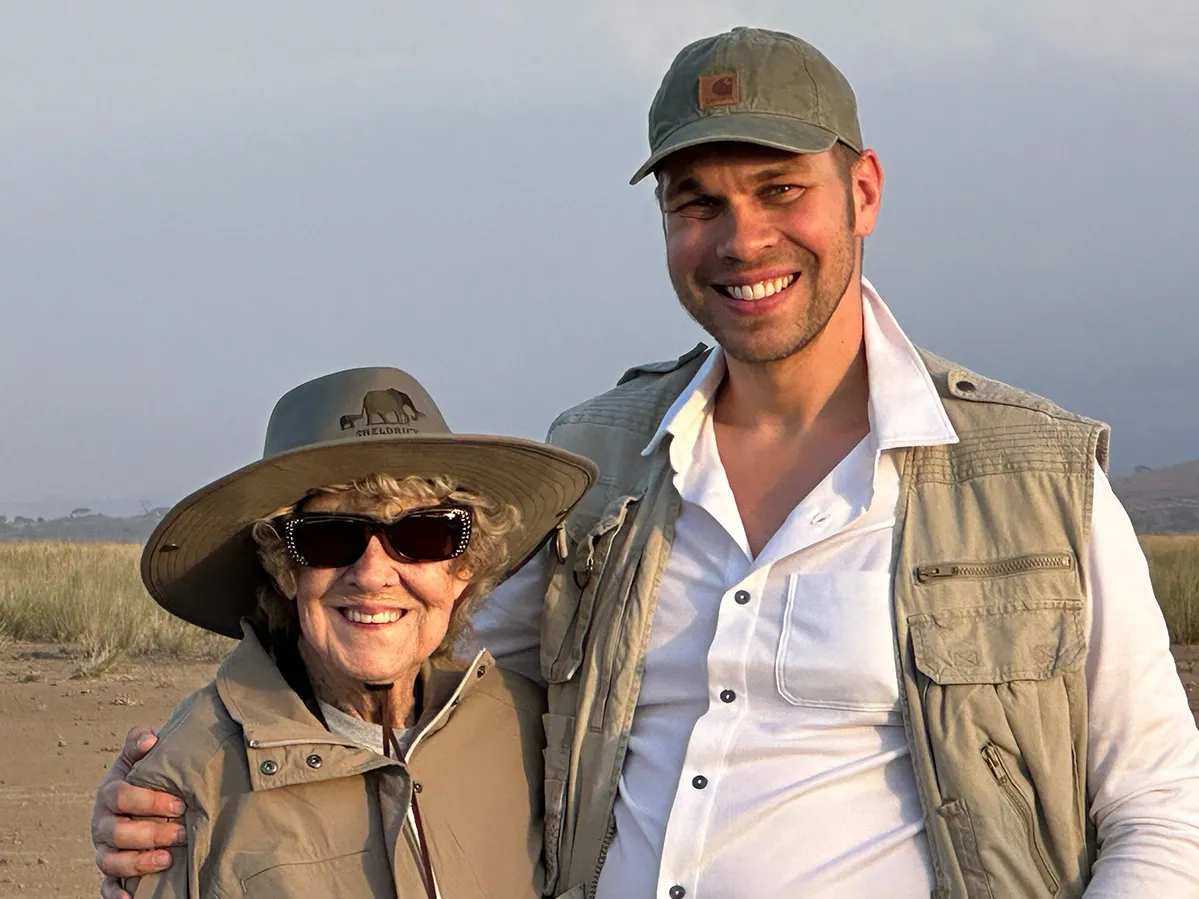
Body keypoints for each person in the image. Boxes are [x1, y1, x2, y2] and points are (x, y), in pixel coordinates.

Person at [94, 26, 1199, 899]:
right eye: (697, 203)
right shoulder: (596, 463)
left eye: (778, 192)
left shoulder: (1030, 479)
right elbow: (427, 675)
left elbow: (1159, 801)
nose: (740, 240)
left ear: (860, 191)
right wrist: (192, 788)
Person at [109, 365, 595, 898]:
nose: (373, 575)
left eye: (424, 534)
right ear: (283, 570)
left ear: (463, 569)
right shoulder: (189, 774)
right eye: (329, 539)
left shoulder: (536, 731)